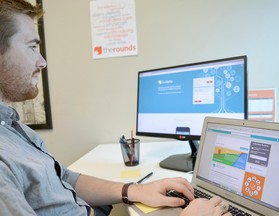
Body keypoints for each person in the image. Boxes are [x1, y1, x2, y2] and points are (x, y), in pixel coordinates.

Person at [0, 1, 232, 216]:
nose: (42, 61)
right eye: (32, 47)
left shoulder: (14, 128)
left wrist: (133, 190)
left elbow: (64, 177)